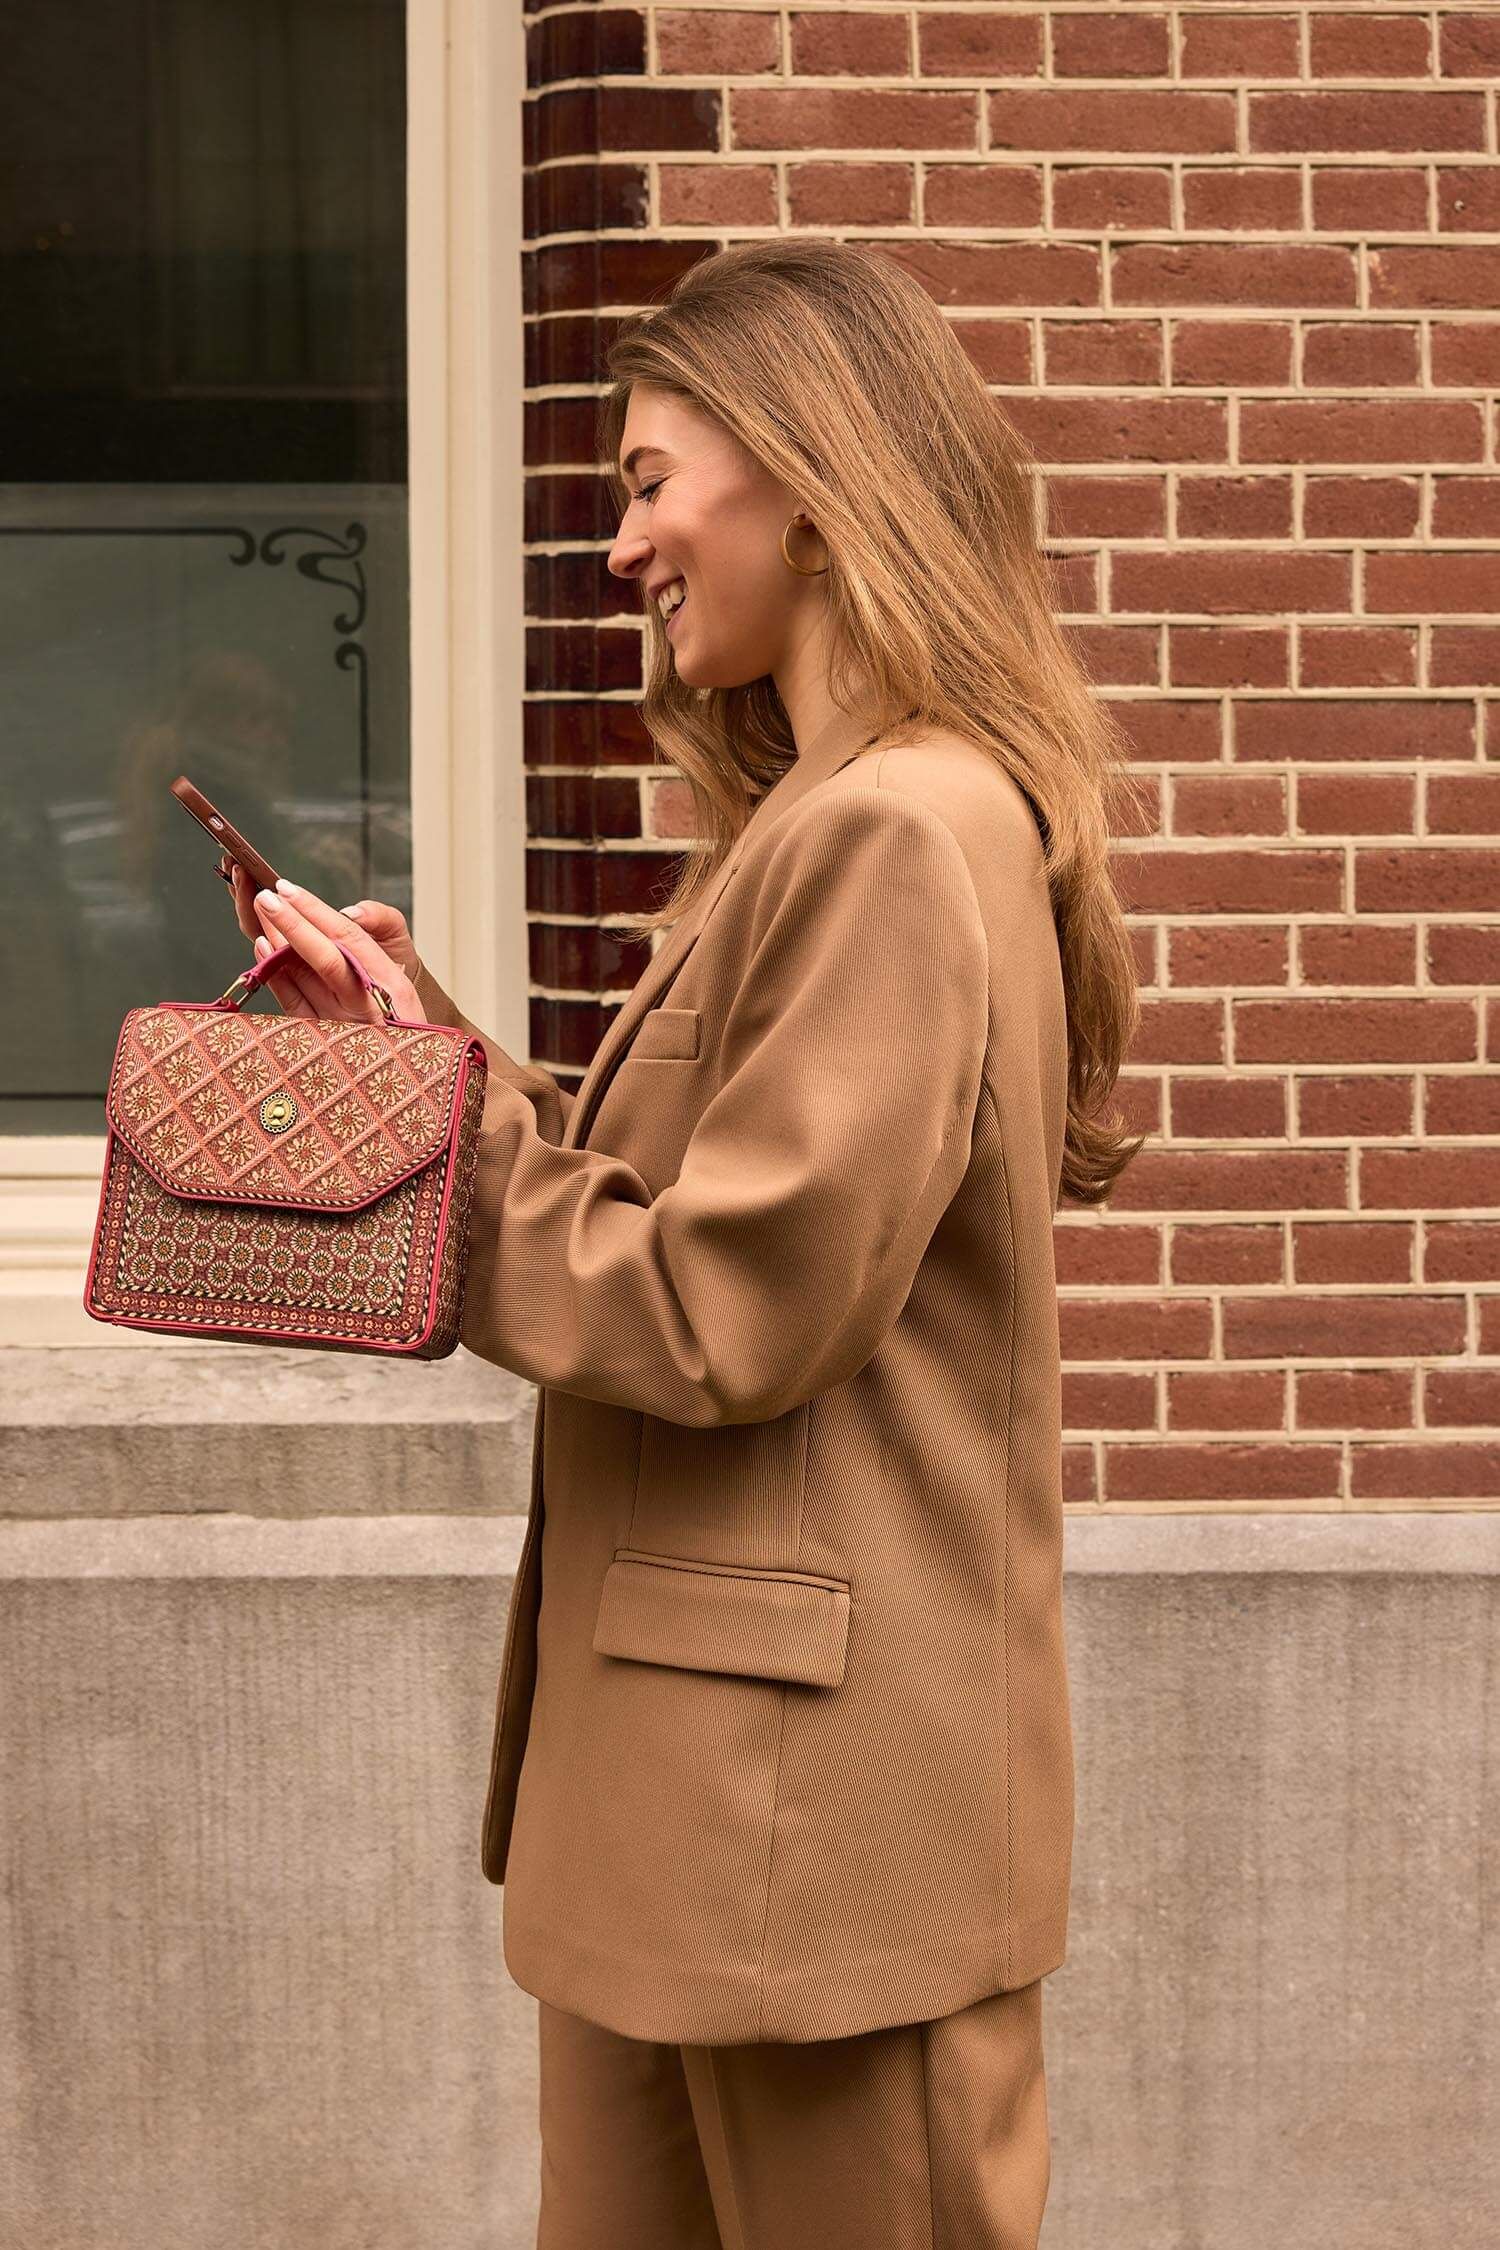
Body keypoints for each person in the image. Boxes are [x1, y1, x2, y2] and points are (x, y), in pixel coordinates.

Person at [224, 240, 1145, 2250]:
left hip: (812, 1848)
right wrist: (422, 1069)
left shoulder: (900, 826)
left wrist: (434, 1162)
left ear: (810, 483)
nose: (621, 542)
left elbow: (725, 1308)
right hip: (694, 1816)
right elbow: (669, 1214)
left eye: (650, 481)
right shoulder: (822, 819)